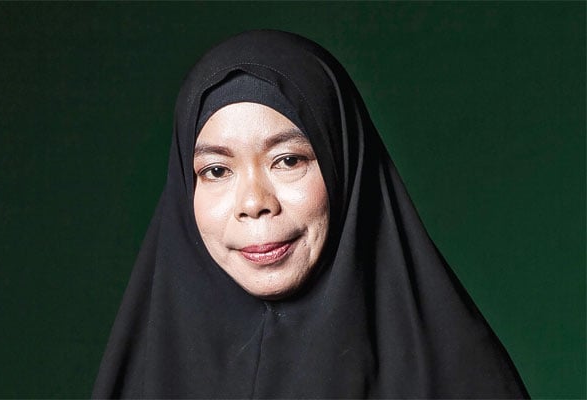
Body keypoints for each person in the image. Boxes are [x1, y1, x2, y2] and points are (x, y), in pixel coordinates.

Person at [93, 30, 529, 398]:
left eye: (287, 160)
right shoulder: (140, 381)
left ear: (344, 167)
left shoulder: (458, 377)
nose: (254, 202)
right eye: (217, 170)